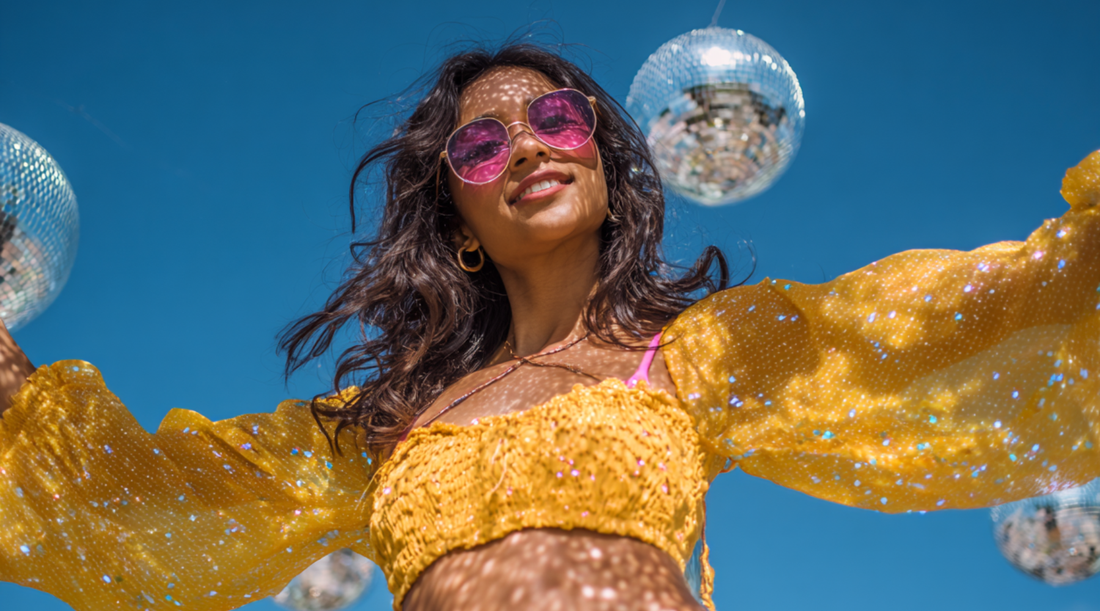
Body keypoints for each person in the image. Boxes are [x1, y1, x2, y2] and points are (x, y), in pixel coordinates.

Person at [2, 42, 1100, 611]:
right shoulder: (381, 429)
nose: (524, 144)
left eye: (556, 118)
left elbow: (968, 319)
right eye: (480, 146)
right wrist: (12, 390)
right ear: (459, 222)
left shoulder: (701, 358)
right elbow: (148, 500)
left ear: (605, 167)